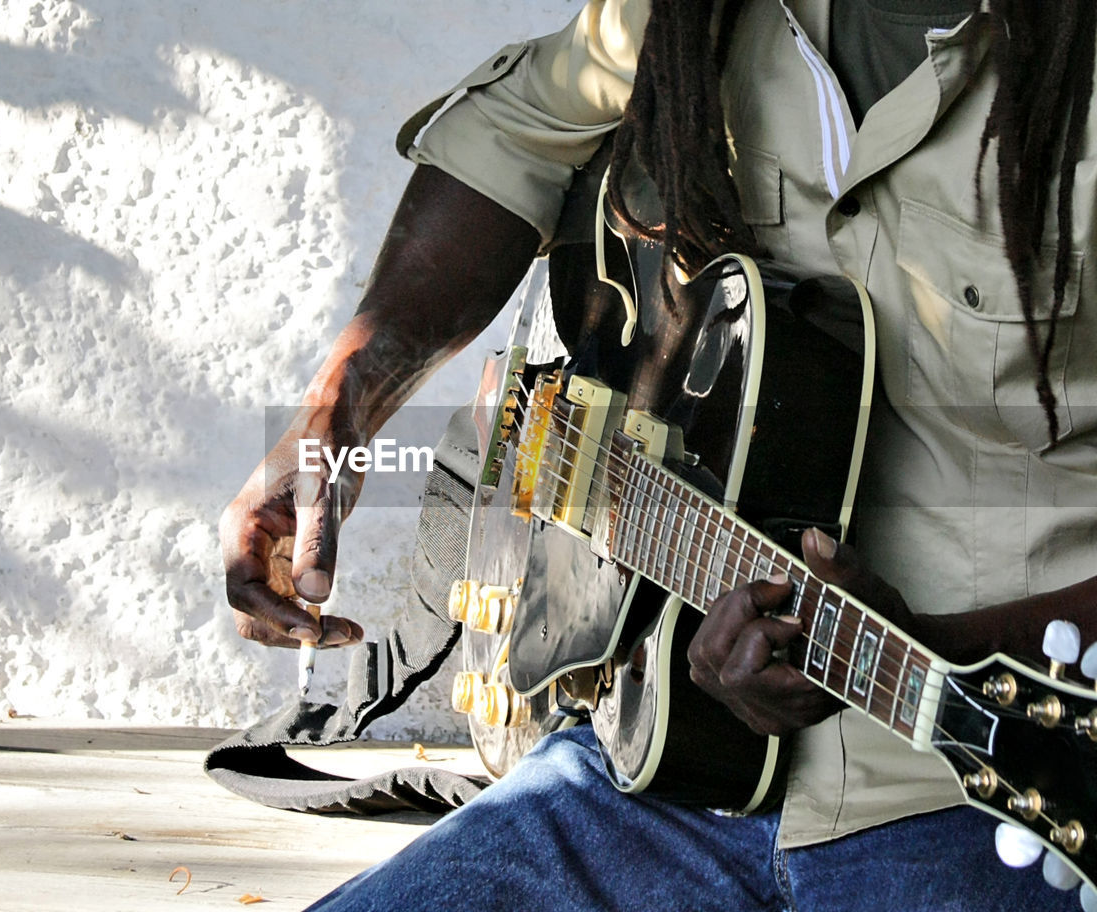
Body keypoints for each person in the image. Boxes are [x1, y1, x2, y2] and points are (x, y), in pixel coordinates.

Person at [219, 1, 1097, 908]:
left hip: (1006, 801)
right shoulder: (692, 12)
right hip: (663, 762)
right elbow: (512, 132)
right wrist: (339, 409)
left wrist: (933, 657)